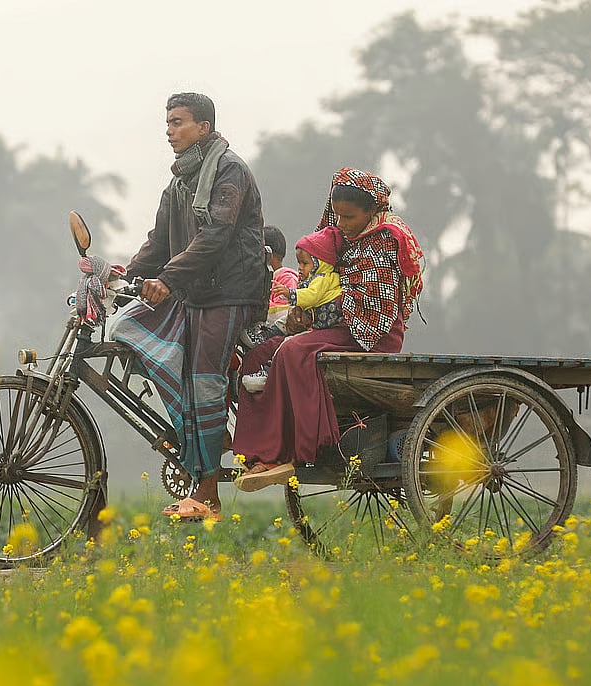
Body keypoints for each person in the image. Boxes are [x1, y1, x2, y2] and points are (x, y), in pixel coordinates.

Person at [110, 92, 268, 521]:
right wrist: (123, 275)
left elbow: (216, 236)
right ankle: (210, 441)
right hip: (195, 293)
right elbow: (158, 242)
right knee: (131, 332)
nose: (169, 131)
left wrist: (167, 279)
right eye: (167, 123)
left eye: (177, 122)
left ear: (204, 127)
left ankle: (209, 495)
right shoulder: (179, 181)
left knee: (203, 382)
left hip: (231, 291)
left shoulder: (228, 171)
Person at [233, 167, 424, 492]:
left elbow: (370, 308)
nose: (341, 223)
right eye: (337, 215)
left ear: (372, 211)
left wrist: (310, 317)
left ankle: (290, 450)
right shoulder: (337, 237)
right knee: (259, 354)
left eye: (349, 217)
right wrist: (299, 312)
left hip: (369, 332)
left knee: (292, 351)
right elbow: (315, 283)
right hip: (334, 324)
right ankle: (256, 455)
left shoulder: (385, 241)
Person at [241, 225, 345, 392]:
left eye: (305, 263)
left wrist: (291, 294)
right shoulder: (312, 278)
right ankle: (263, 337)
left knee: (288, 345)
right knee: (283, 328)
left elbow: (311, 296)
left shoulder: (321, 279)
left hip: (317, 324)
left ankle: (268, 372)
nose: (300, 268)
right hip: (310, 320)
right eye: (299, 263)